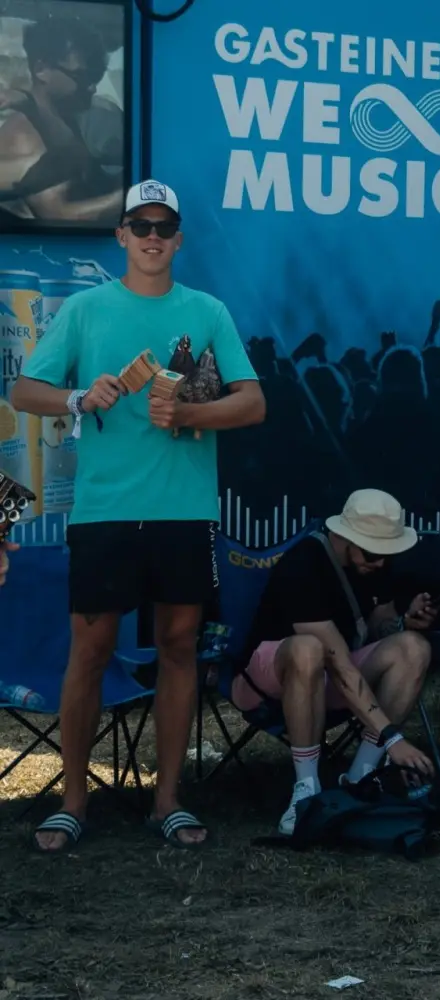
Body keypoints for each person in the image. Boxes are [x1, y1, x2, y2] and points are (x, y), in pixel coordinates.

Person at [10, 179, 265, 852]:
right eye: (141, 226)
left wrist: (187, 412)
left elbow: (253, 403)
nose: (153, 237)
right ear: (120, 235)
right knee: (90, 650)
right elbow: (24, 390)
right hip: (105, 511)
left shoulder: (207, 310)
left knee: (180, 648)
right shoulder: (85, 309)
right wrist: (77, 398)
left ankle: (168, 800)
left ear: (179, 240)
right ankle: (72, 803)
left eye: (164, 227)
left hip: (185, 510)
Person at [235, 489, 439, 836]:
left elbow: (375, 628)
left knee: (414, 647)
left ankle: (362, 777)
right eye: (373, 553)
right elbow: (340, 665)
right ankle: (306, 789)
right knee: (309, 649)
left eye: (388, 554)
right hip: (270, 679)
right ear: (345, 537)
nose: (380, 563)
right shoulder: (304, 563)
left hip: (331, 678)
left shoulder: (376, 563)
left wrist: (404, 622)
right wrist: (393, 738)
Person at [0, 16, 121, 223]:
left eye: (96, 76)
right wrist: (129, 196)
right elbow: (58, 215)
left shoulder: (56, 118)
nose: (92, 87)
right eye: (81, 76)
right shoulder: (26, 141)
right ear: (41, 70)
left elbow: (87, 172)